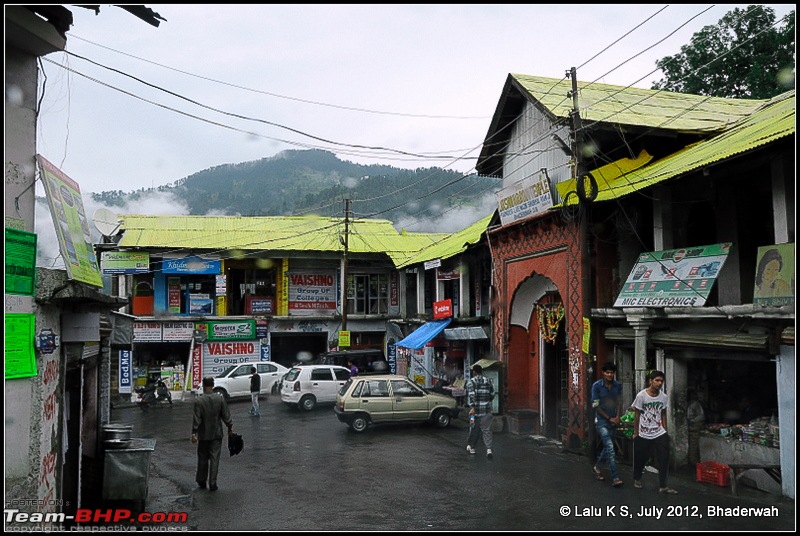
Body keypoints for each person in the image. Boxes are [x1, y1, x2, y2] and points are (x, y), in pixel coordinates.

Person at [632, 370, 677, 494]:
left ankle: (663, 485)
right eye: (657, 380)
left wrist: (665, 430)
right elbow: (636, 415)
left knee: (664, 458)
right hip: (643, 432)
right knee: (641, 458)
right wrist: (636, 433)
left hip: (659, 432)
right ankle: (637, 478)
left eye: (661, 381)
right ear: (650, 381)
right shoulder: (642, 396)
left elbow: (663, 413)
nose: (659, 383)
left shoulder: (663, 397)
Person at [191, 376, 234, 491]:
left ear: (204, 386)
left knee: (203, 458)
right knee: (215, 458)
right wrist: (230, 427)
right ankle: (213, 483)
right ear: (213, 386)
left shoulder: (199, 401)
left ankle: (201, 481)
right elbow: (226, 415)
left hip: (204, 434)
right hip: (217, 433)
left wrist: (194, 433)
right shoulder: (219, 399)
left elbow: (197, 419)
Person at [591, 363, 623, 487]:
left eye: (612, 373)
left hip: (614, 420)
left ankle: (597, 468)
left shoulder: (617, 386)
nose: (610, 375)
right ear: (603, 373)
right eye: (607, 372)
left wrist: (618, 416)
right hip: (602, 421)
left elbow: (619, 402)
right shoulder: (597, 386)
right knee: (610, 447)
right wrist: (608, 418)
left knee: (607, 448)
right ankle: (615, 477)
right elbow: (595, 406)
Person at [466, 364, 495, 459]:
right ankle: (489, 450)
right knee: (487, 431)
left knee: (474, 429)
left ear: (474, 372)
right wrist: (486, 401)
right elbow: (492, 394)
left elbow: (471, 395)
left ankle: (472, 448)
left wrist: (473, 407)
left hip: (475, 412)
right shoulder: (488, 381)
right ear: (481, 371)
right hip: (486, 411)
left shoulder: (471, 382)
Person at [686, 389, 706, 464]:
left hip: (693, 424)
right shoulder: (695, 404)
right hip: (695, 425)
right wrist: (693, 420)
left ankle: (693, 460)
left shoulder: (689, 404)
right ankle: (694, 461)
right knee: (694, 444)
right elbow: (701, 416)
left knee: (693, 443)